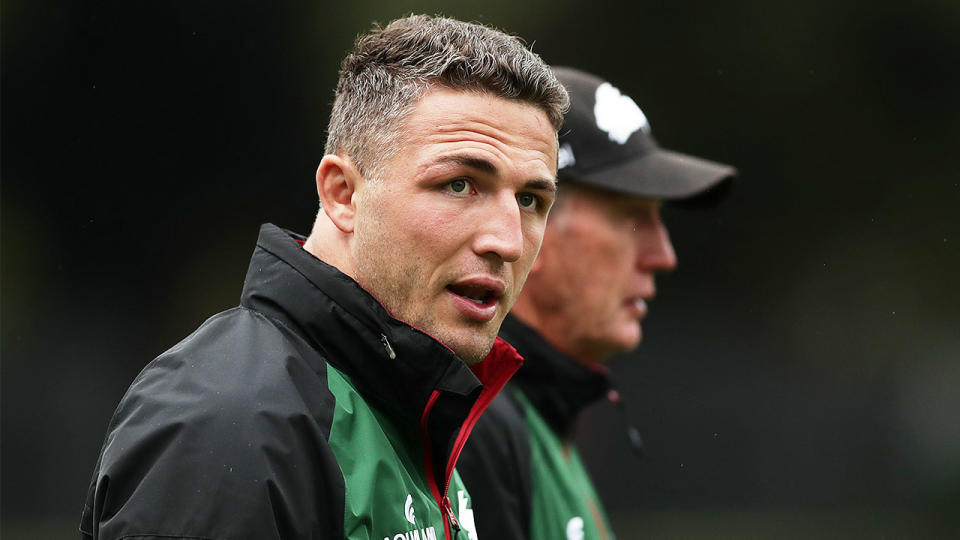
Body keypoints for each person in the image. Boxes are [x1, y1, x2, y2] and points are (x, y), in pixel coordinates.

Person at [79, 15, 568, 540]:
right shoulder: (233, 424)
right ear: (342, 194)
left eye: (529, 200)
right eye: (459, 184)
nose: (508, 240)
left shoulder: (413, 412)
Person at [456, 67, 737, 540]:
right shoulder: (475, 428)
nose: (662, 256)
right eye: (631, 217)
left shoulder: (542, 410)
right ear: (531, 231)